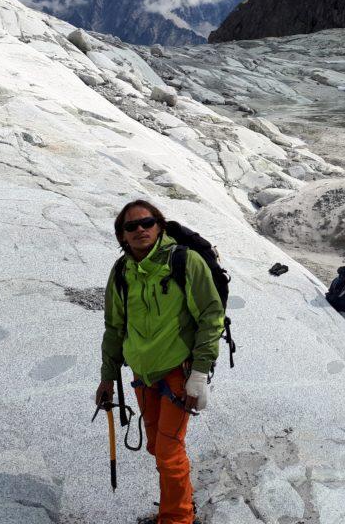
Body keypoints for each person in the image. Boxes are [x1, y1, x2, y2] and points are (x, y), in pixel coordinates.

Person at [95, 200, 224, 524]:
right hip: (143, 373)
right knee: (157, 447)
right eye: (131, 226)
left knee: (168, 452)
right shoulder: (122, 272)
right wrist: (108, 378)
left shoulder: (185, 262)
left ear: (160, 225)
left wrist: (200, 372)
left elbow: (211, 315)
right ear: (122, 236)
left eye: (147, 222)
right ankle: (177, 500)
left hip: (178, 372)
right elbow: (114, 327)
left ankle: (178, 517)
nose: (140, 229)